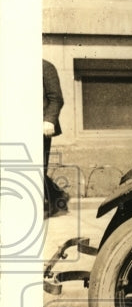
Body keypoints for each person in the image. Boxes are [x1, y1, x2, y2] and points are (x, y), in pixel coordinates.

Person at [42, 59, 68, 218]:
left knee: (37, 168)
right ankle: (58, 196)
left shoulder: (45, 66)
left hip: (40, 128)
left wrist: (49, 120)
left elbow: (56, 98)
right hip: (16, 127)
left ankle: (55, 200)